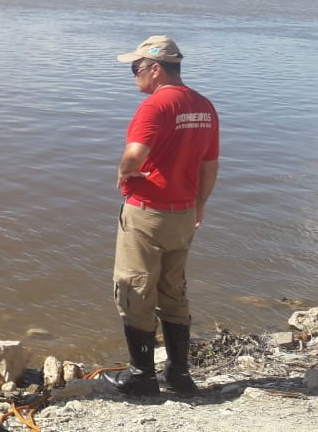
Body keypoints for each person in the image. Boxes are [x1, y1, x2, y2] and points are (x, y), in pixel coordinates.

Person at [102, 35, 219, 398]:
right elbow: (209, 164)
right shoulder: (204, 106)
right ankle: (179, 375)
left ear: (156, 69)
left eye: (136, 69)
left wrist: (124, 171)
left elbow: (134, 155)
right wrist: (199, 204)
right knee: (173, 290)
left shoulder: (155, 107)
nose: (133, 76)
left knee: (134, 288)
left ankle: (141, 376)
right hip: (184, 213)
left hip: (147, 214)